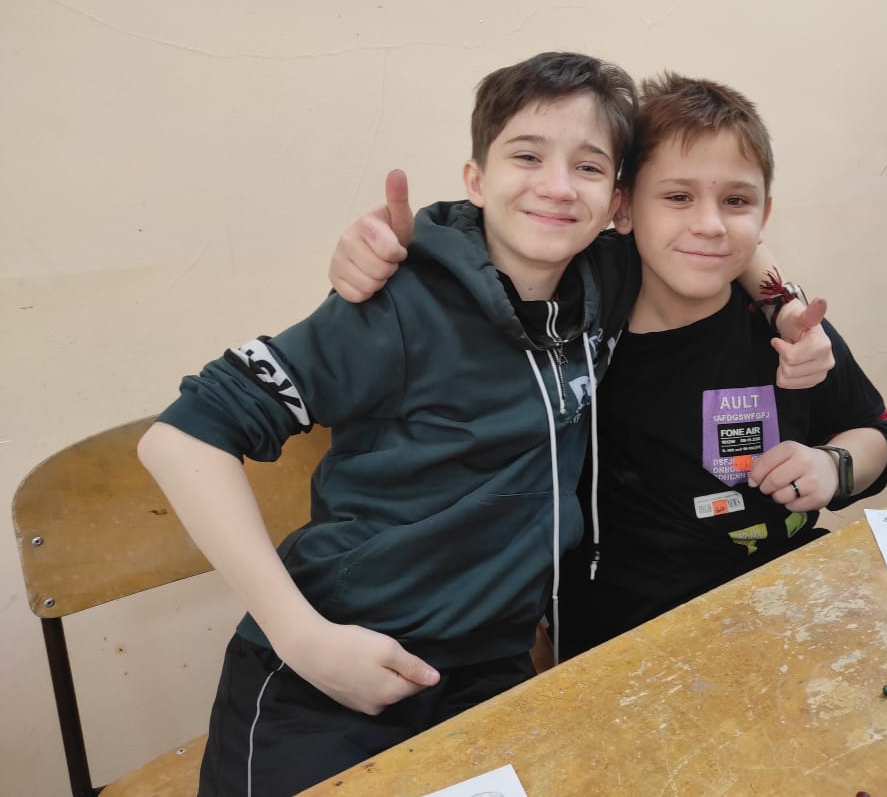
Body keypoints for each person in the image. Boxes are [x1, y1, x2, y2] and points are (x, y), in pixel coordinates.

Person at [137, 50, 642, 796]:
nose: (558, 185)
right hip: (332, 664)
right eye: (527, 155)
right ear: (475, 179)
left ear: (617, 203)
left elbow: (720, 223)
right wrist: (303, 638)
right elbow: (180, 439)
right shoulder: (397, 303)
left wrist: (783, 303)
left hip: (488, 667)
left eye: (589, 167)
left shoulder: (608, 279)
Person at [329, 73, 887, 661]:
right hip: (627, 640)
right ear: (623, 208)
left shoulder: (791, 331)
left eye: (736, 201)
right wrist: (388, 248)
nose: (710, 224)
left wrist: (834, 465)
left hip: (793, 604)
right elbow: (487, 240)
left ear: (764, 214)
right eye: (677, 197)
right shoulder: (574, 325)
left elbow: (876, 433)